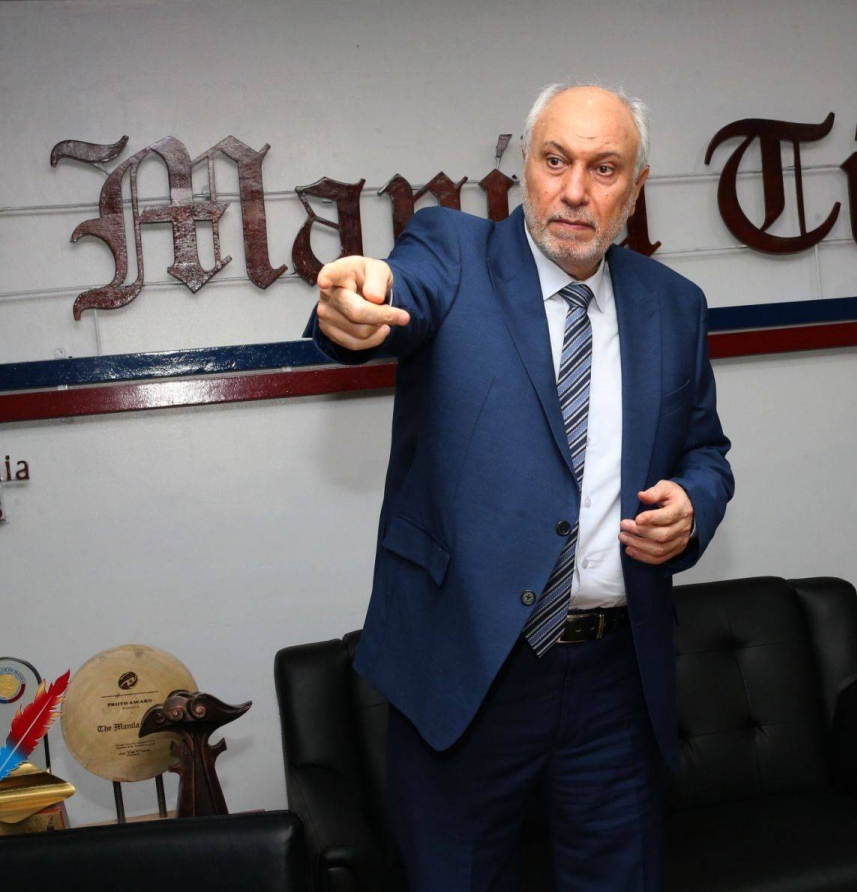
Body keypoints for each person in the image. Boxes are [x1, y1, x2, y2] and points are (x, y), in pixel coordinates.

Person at [306, 82, 734, 892]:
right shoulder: (454, 255)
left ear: (635, 190)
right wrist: (356, 305)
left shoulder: (675, 306)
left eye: (604, 169)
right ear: (524, 169)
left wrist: (693, 503)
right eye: (555, 161)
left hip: (615, 679)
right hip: (468, 671)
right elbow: (395, 291)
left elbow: (706, 451)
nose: (575, 191)